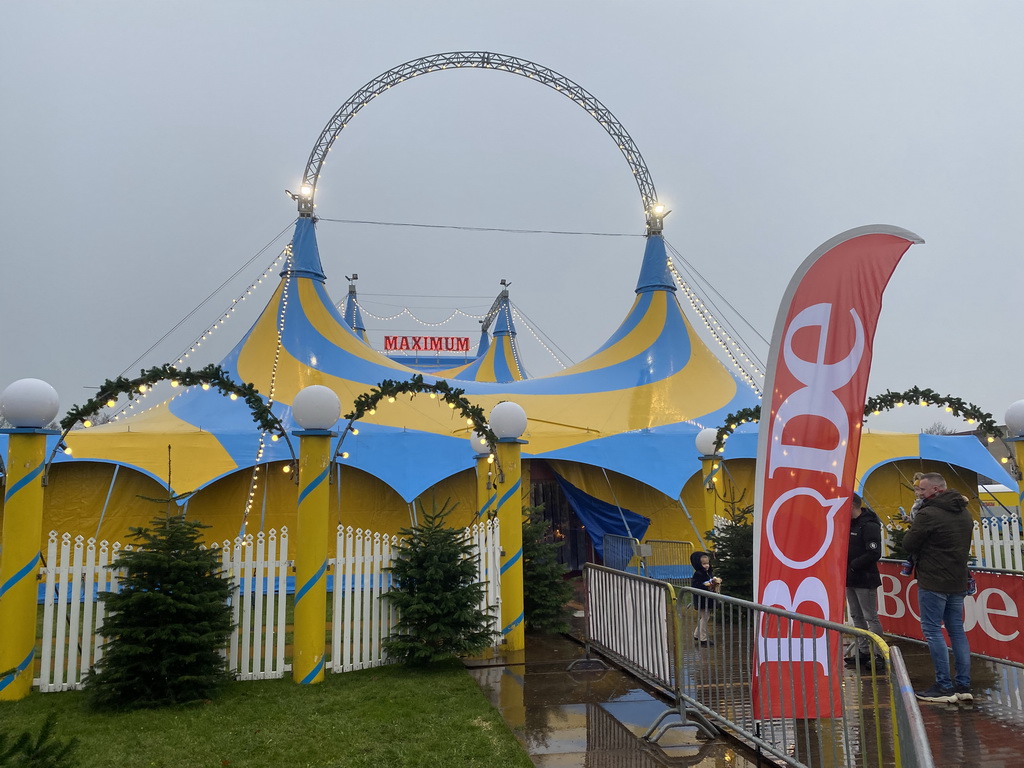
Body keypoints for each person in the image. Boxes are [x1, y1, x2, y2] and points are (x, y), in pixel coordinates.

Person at [903, 472, 974, 703]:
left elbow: (909, 543)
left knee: (933, 630)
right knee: (957, 631)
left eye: (922, 490)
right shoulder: (964, 513)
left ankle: (944, 687)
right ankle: (963, 685)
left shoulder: (929, 514)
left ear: (935, 489)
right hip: (957, 579)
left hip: (933, 580)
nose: (918, 493)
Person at [845, 493, 885, 672]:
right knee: (856, 616)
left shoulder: (869, 525)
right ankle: (863, 651)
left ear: (852, 505)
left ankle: (879, 654)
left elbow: (874, 552)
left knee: (870, 616)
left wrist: (854, 565)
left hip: (865, 577)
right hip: (850, 577)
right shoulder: (849, 524)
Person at [690, 551, 721, 646]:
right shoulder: (698, 574)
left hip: (708, 599)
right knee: (705, 617)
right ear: (698, 564)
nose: (706, 566)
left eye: (707, 563)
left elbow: (710, 581)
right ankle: (703, 638)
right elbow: (696, 586)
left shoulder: (709, 573)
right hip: (702, 600)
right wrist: (707, 585)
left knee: (705, 617)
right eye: (703, 564)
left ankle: (696, 634)